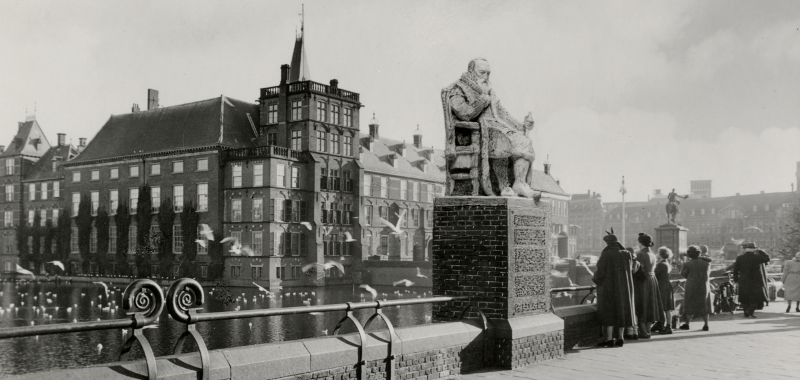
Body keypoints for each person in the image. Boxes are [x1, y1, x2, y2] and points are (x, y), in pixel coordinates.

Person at [446, 58, 537, 198]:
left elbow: (503, 114)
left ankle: (519, 183)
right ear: (471, 72)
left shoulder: (489, 90)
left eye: (488, 73)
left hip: (497, 128)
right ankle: (503, 186)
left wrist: (522, 125)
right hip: (474, 133)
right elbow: (464, 113)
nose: (486, 77)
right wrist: (483, 100)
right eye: (482, 73)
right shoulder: (458, 88)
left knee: (524, 141)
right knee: (501, 140)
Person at [592, 230, 637, 347]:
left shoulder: (606, 254)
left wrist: (595, 280)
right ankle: (621, 337)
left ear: (608, 243)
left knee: (609, 313)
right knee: (622, 312)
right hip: (624, 289)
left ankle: (609, 339)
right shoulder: (627, 254)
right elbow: (632, 270)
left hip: (609, 288)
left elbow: (600, 273)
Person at [633, 233, 663, 338]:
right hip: (652, 280)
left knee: (642, 305)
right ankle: (648, 331)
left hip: (643, 281)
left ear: (640, 242)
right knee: (650, 306)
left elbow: (637, 269)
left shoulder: (640, 254)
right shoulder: (653, 254)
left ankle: (644, 332)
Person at [733, 242, 771, 318]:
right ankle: (750, 311)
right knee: (755, 297)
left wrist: (736, 279)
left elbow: (735, 270)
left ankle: (746, 311)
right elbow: (767, 258)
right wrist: (760, 250)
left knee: (744, 297)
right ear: (754, 249)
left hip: (743, 280)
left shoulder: (740, 258)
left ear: (745, 249)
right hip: (755, 281)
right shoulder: (757, 257)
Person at [680, 246, 712, 331]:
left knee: (689, 304)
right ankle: (706, 325)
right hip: (704, 286)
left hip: (692, 286)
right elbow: (709, 273)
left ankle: (687, 324)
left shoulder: (688, 263)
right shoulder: (706, 263)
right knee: (704, 305)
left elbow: (683, 274)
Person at [654, 247, 675, 334]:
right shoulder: (667, 263)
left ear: (660, 254)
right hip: (667, 286)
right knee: (667, 307)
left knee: (663, 307)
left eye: (658, 252)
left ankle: (664, 325)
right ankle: (667, 325)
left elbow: (654, 273)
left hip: (662, 287)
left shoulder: (661, 265)